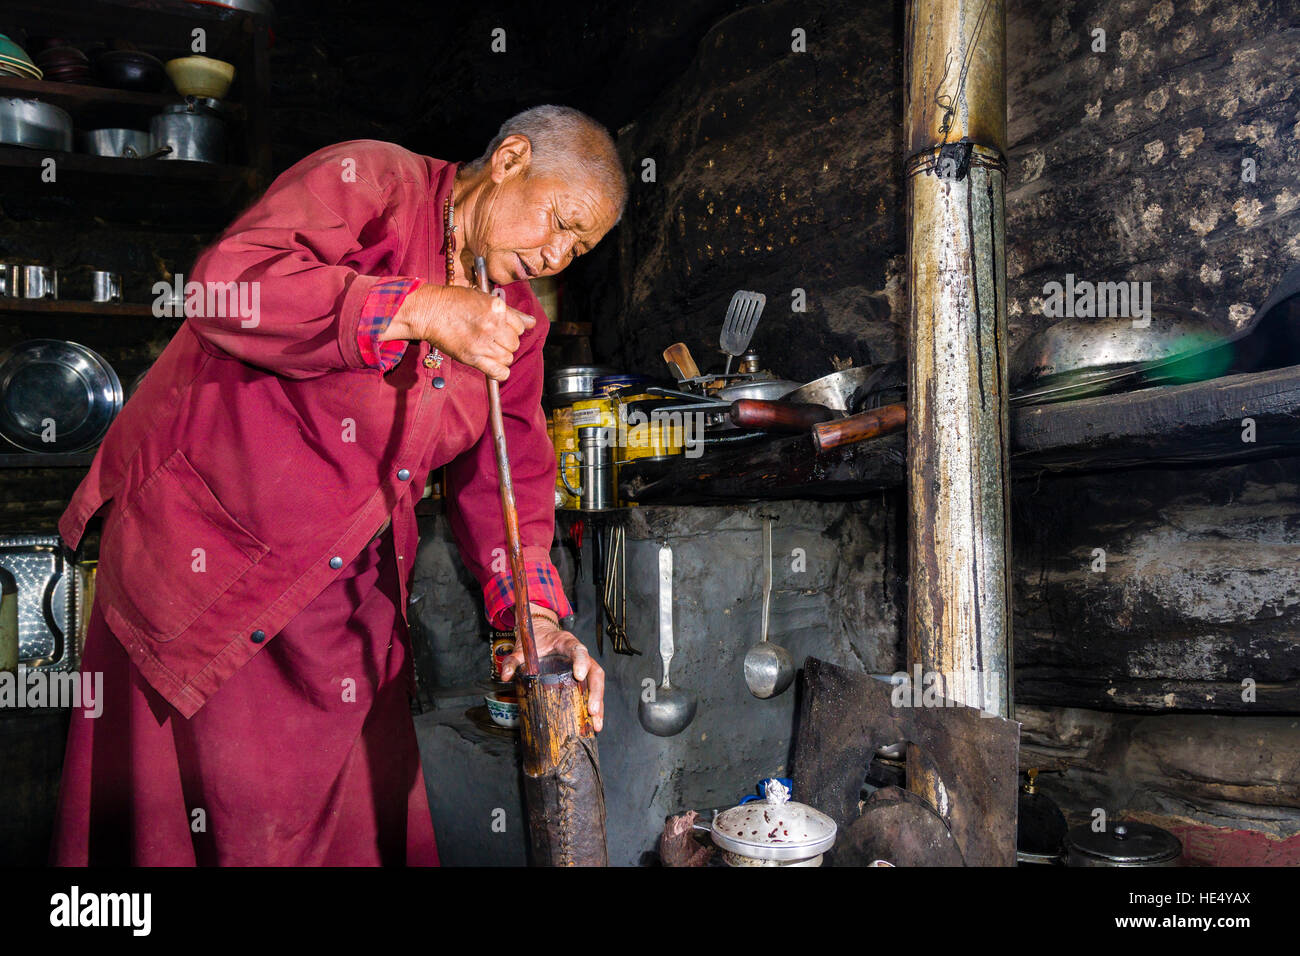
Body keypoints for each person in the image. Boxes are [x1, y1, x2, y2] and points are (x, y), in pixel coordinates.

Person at [50, 104, 627, 865]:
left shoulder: (511, 326)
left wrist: (535, 615)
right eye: (558, 222)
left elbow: (504, 481)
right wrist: (415, 307)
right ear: (512, 158)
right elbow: (226, 287)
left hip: (342, 596)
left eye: (578, 249)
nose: (556, 255)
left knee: (357, 823)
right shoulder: (373, 181)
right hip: (206, 561)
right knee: (179, 828)